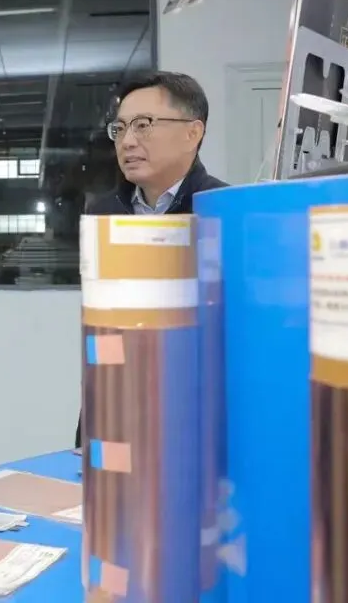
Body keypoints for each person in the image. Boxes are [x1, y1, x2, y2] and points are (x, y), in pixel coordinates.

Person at [75, 71, 227, 447]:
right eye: (120, 128)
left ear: (193, 132)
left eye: (143, 125)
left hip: (198, 416)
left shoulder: (223, 211)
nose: (128, 141)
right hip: (117, 406)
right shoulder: (103, 213)